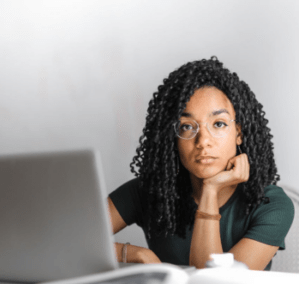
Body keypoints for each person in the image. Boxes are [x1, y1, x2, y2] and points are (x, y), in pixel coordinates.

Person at [107, 56, 294, 271]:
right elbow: (66, 238)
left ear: (239, 133)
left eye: (219, 123)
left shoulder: (272, 204)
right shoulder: (150, 191)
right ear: (173, 137)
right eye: (187, 126)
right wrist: (135, 253)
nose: (203, 141)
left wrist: (210, 190)